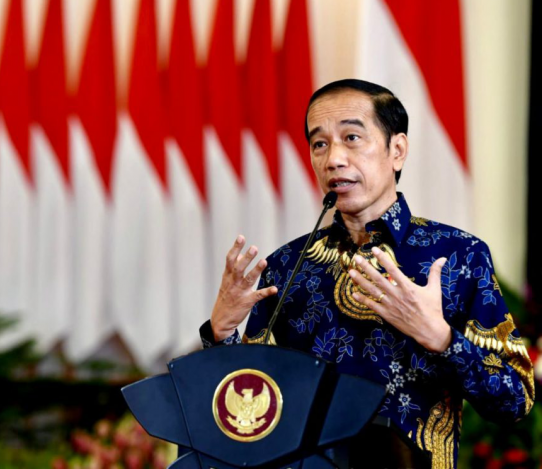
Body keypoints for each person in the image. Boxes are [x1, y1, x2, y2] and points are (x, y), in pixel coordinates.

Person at [199, 79, 534, 469]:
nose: (333, 159)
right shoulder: (287, 266)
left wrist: (441, 339)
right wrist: (221, 334)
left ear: (397, 150)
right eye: (319, 143)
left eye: (352, 137)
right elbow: (249, 406)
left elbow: (514, 400)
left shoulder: (458, 255)